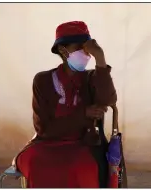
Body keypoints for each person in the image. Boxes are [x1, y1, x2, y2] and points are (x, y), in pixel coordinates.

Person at [15, 21, 117, 188]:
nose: (86, 54)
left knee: (82, 169)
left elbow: (109, 100)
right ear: (63, 50)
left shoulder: (92, 78)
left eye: (88, 49)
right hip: (47, 143)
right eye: (81, 48)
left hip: (82, 144)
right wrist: (84, 113)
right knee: (36, 163)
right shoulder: (43, 80)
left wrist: (100, 58)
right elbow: (44, 129)